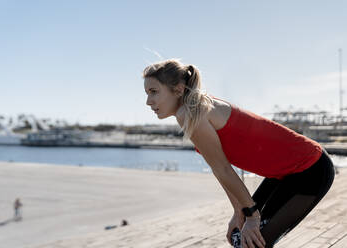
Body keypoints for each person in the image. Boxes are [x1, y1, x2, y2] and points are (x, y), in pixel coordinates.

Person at [143, 59, 335, 248]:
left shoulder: (192, 113)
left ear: (178, 89)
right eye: (147, 93)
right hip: (285, 173)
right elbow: (220, 167)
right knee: (244, 238)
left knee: (253, 244)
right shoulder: (193, 109)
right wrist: (239, 211)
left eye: (154, 92)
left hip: (311, 168)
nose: (148, 101)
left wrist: (251, 215)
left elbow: (223, 169)